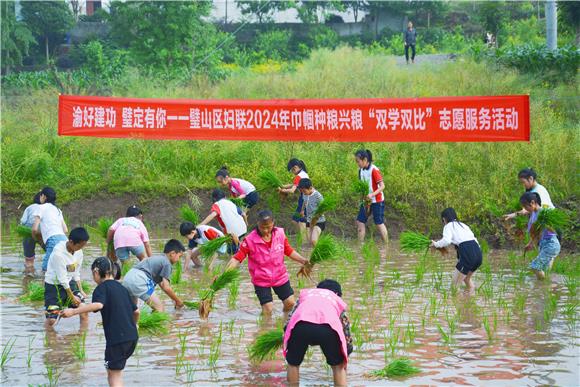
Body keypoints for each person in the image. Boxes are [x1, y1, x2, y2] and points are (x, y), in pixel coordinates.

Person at [61, 257, 139, 387]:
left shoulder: (101, 288)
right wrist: (135, 325)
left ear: (96, 272)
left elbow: (98, 305)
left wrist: (72, 312)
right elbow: (136, 312)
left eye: (93, 274)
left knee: (114, 376)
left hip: (117, 341)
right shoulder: (122, 288)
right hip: (132, 338)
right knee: (114, 371)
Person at [223, 210, 309, 315]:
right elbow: (237, 258)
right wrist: (224, 274)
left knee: (290, 303)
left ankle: (284, 322)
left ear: (273, 223)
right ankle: (264, 328)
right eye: (262, 227)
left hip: (280, 276)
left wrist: (303, 260)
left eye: (268, 227)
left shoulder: (280, 234)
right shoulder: (250, 240)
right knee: (268, 309)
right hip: (261, 280)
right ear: (258, 224)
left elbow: (289, 251)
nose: (265, 230)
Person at [283, 279, 353, 386]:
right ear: (338, 293)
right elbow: (345, 328)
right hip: (328, 328)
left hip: (300, 326)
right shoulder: (335, 299)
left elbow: (290, 321)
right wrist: (346, 351)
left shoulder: (307, 296)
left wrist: (288, 340)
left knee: (293, 364)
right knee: (338, 367)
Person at [44, 227, 90, 328]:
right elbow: (62, 279)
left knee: (83, 309)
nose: (81, 248)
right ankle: (49, 339)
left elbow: (76, 272)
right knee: (52, 319)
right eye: (79, 246)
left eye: (83, 246)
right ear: (71, 242)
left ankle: (82, 335)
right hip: (54, 286)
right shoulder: (58, 254)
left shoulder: (78, 252)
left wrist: (81, 290)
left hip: (70, 283)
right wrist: (72, 297)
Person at [122, 239, 185, 312]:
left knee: (133, 311)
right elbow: (166, 287)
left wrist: (173, 299)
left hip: (128, 277)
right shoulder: (167, 263)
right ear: (172, 253)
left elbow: (161, 284)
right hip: (140, 279)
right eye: (179, 256)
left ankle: (135, 323)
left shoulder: (157, 258)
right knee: (160, 309)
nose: (178, 260)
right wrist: (178, 301)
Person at [430, 208, 482, 295]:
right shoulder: (464, 225)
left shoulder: (448, 226)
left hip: (468, 254)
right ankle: (470, 304)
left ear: (444, 219)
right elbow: (473, 241)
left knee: (454, 287)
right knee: (467, 280)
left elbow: (446, 241)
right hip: (478, 254)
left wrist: (435, 244)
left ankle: (460, 306)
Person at [520, 192, 561, 280]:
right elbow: (535, 233)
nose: (525, 208)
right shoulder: (534, 214)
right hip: (544, 245)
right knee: (545, 271)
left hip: (551, 244)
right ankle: (545, 289)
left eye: (525, 206)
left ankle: (544, 284)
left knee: (535, 267)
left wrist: (545, 225)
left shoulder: (544, 213)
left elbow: (553, 231)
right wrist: (530, 244)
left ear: (532, 203)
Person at [354, 149, 389, 244]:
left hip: (377, 201)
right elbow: (362, 187)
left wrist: (372, 194)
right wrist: (362, 199)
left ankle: (386, 246)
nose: (357, 163)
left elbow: (382, 186)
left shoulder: (374, 170)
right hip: (366, 201)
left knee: (379, 223)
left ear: (365, 160)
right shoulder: (360, 171)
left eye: (358, 161)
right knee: (360, 222)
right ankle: (360, 246)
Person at [32, 186, 68, 272]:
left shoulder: (40, 207)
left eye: (41, 196)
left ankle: (45, 284)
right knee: (62, 267)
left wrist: (34, 237)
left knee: (46, 268)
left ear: (43, 196)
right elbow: (65, 230)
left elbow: (34, 229)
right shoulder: (57, 209)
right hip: (64, 240)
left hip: (53, 240)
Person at [279, 158, 310, 237]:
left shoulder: (298, 176)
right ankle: (303, 237)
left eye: (292, 170)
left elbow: (292, 190)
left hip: (304, 199)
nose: (292, 172)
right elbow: (294, 184)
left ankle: (302, 237)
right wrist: (283, 186)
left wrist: (282, 190)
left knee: (295, 221)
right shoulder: (304, 173)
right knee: (302, 220)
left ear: (295, 167)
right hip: (308, 198)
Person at [20, 192, 44, 274]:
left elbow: (22, 221)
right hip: (42, 233)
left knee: (29, 259)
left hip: (28, 233)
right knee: (50, 252)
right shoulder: (46, 207)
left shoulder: (29, 208)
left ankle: (28, 276)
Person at [297, 178, 326, 246]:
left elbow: (324, 209)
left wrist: (315, 218)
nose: (303, 193)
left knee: (313, 241)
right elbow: (304, 201)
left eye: (304, 191)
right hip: (309, 221)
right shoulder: (305, 194)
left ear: (310, 188)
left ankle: (320, 253)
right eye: (302, 191)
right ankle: (309, 255)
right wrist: (302, 210)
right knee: (309, 243)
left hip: (319, 222)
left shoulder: (318, 196)